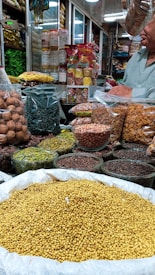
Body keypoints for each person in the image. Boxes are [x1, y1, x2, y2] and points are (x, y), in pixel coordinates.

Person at [108, 12, 155, 99]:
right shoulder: (136, 57)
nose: (141, 33)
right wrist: (117, 91)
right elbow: (124, 87)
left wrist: (132, 93)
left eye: (145, 27)